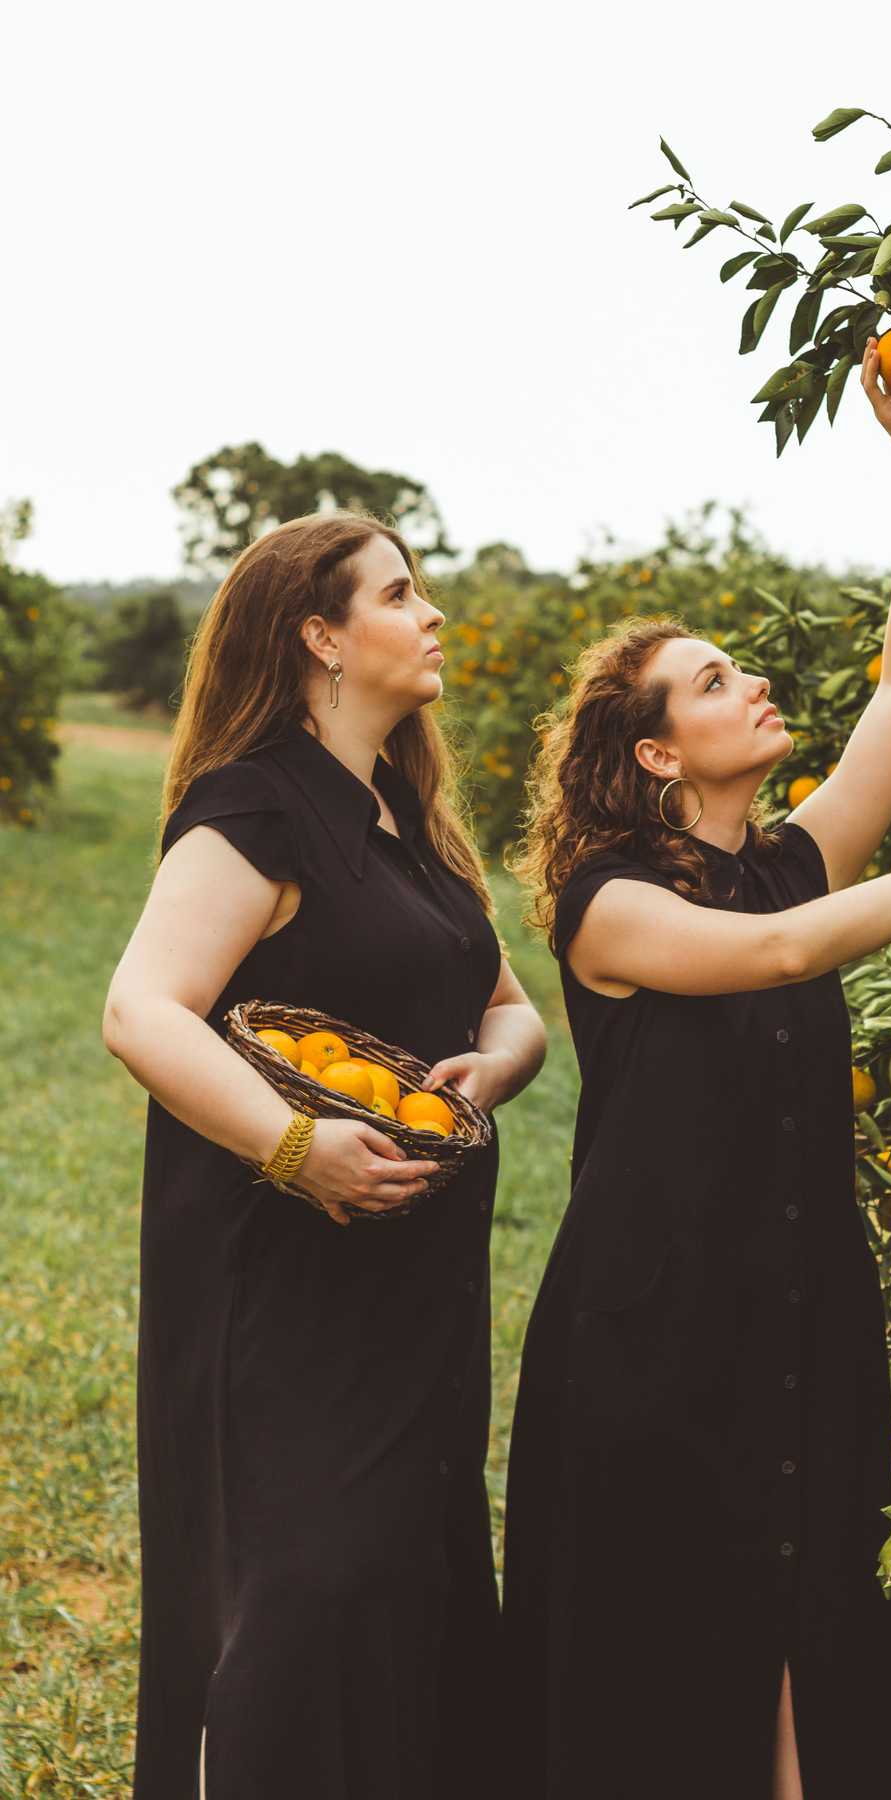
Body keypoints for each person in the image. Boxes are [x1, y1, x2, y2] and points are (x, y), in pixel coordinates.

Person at [500, 337, 891, 1800]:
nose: (752, 685)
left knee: (818, 1618)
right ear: (658, 756)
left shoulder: (790, 861)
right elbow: (780, 958)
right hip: (654, 1335)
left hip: (805, 1318)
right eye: (713, 680)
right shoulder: (613, 904)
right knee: (677, 1648)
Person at [101, 512, 546, 1800]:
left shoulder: (402, 816)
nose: (435, 614)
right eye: (404, 594)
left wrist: (491, 1069)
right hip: (282, 1292)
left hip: (414, 1293)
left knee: (409, 1575)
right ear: (322, 636)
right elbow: (142, 1010)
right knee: (307, 1591)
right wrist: (294, 1145)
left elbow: (506, 1005)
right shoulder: (254, 808)